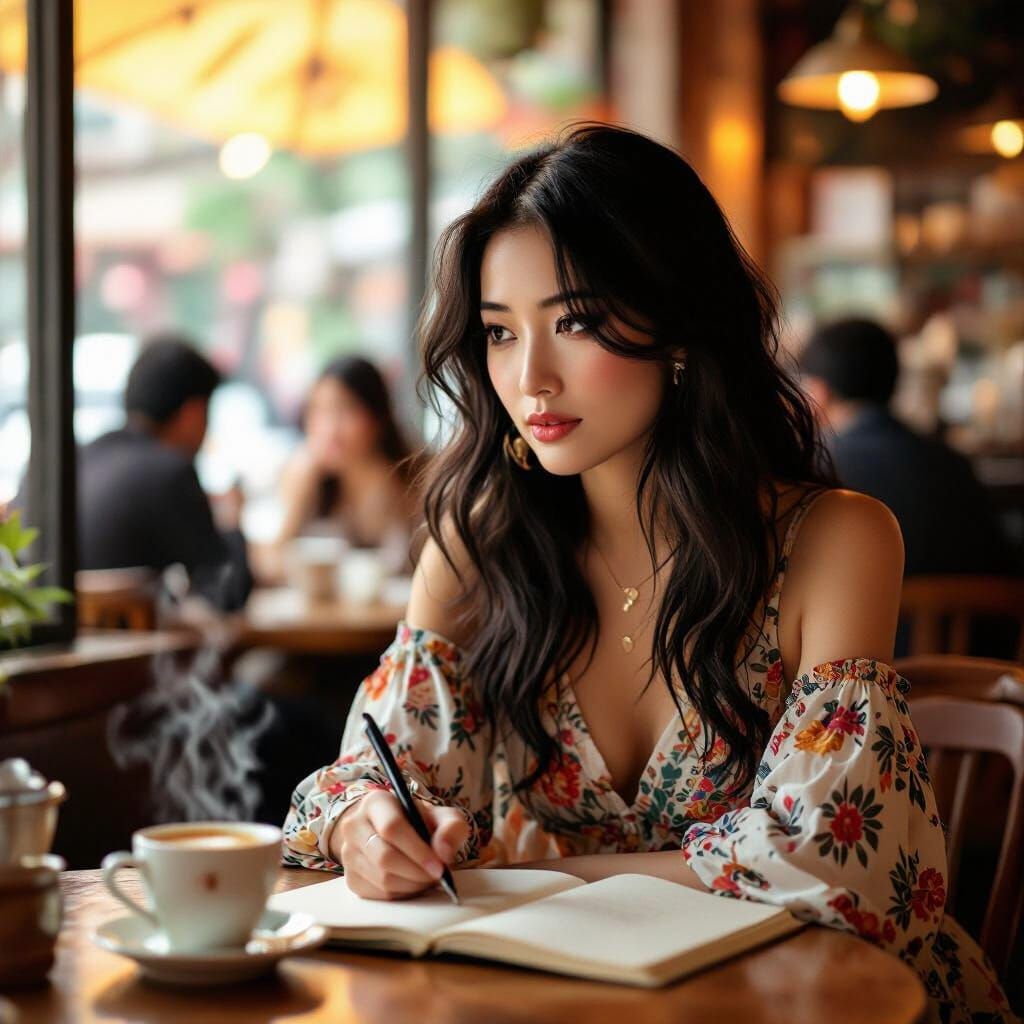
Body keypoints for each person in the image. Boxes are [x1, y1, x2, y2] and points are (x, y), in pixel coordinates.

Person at [282, 126, 1014, 1024]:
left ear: (677, 323)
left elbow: (831, 865)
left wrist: (539, 875)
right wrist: (371, 830)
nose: (531, 377)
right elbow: (370, 776)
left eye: (576, 321)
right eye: (500, 333)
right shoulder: (480, 546)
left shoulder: (835, 540)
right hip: (581, 999)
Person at [800, 317, 1019, 579]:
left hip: (873, 618)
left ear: (820, 391)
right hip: (978, 617)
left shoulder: (819, 467)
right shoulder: (953, 462)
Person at [76, 333, 252, 612]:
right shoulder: (169, 472)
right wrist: (231, 520)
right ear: (193, 413)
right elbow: (227, 591)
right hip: (127, 653)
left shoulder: (73, 460)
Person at [265, 356, 420, 580]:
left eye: (345, 410)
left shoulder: (413, 479)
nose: (329, 429)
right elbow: (270, 565)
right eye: (318, 410)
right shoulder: (309, 478)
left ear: (377, 417)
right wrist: (296, 500)